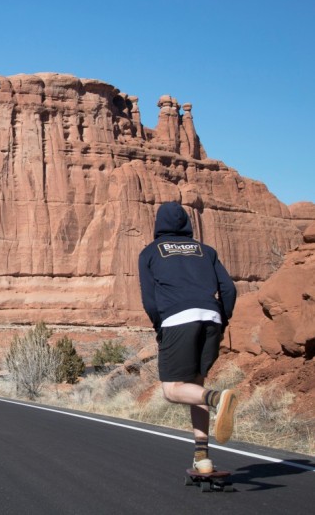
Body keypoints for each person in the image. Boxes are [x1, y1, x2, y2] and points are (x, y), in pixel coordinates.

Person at [138, 202, 238, 474]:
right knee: (196, 388)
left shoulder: (150, 253)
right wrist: (222, 319)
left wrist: (161, 326)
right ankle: (202, 458)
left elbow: (149, 300)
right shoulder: (206, 251)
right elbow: (229, 289)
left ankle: (219, 398)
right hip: (211, 318)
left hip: (177, 319)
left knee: (172, 390)